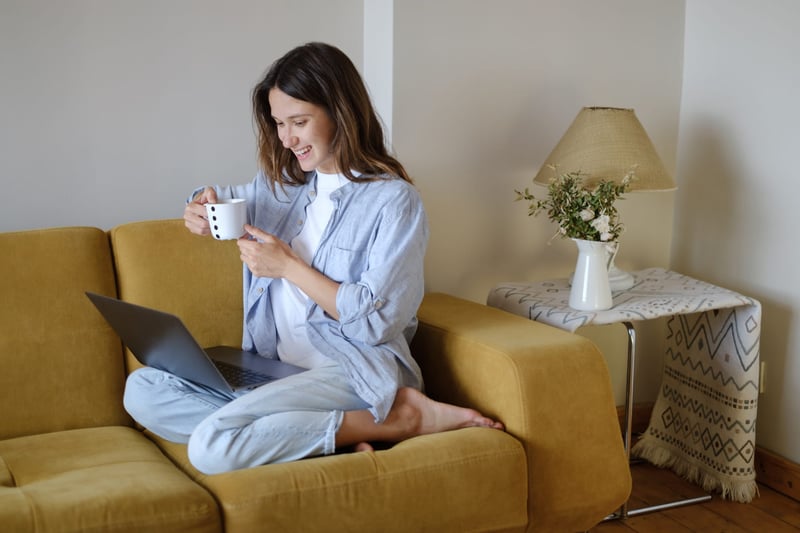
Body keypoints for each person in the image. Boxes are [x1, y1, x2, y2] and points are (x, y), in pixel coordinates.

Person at [123, 42, 503, 475]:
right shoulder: (279, 188)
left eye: (299, 122)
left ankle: (402, 418)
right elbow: (217, 200)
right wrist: (198, 204)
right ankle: (310, 433)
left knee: (212, 446)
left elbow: (376, 323)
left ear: (340, 112)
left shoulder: (393, 202)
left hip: (350, 373)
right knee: (142, 388)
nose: (287, 139)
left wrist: (288, 267)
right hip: (275, 373)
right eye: (280, 123)